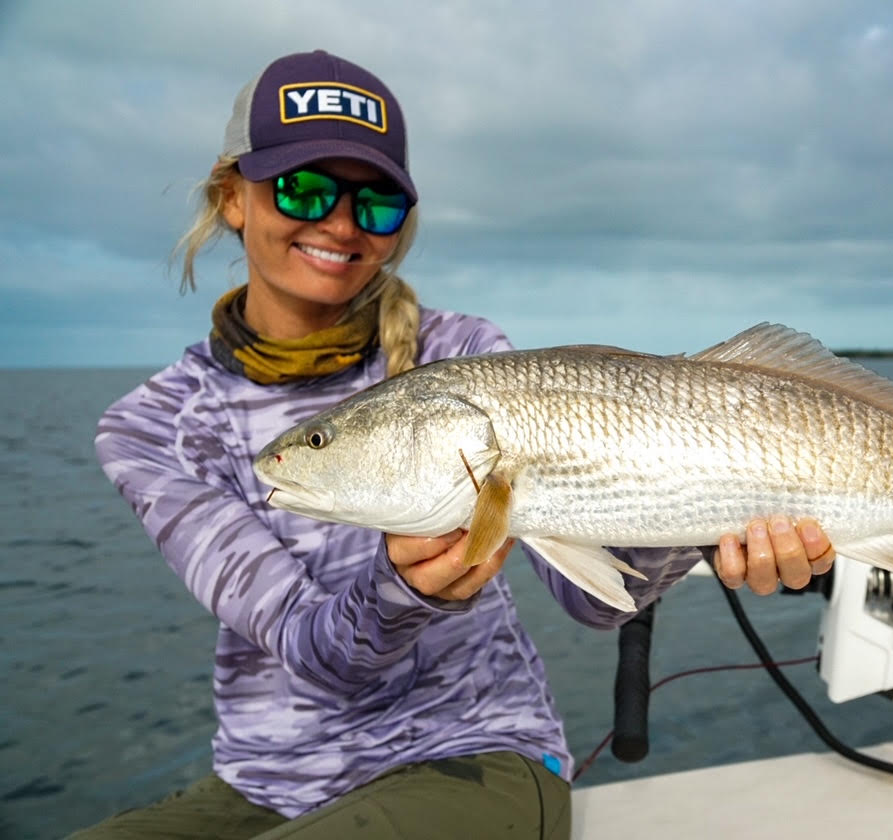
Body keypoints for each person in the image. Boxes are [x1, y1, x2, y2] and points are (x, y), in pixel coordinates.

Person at [79, 50, 836, 840]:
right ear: (232, 196)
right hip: (265, 782)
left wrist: (691, 517)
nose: (339, 223)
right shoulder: (152, 425)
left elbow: (591, 598)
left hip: (474, 752)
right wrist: (407, 591)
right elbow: (314, 647)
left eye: (374, 203)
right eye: (303, 187)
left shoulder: (465, 359)